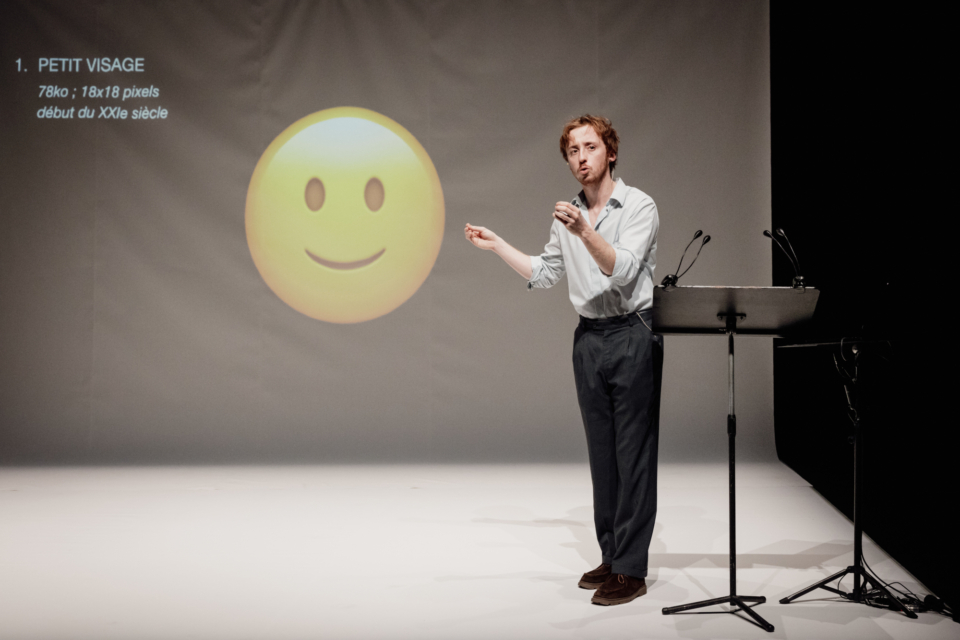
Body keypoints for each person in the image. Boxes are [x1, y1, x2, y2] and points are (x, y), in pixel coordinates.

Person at [464, 115, 663, 606]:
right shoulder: (569, 212)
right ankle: (612, 555)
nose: (581, 157)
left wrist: (585, 231)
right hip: (589, 338)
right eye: (572, 150)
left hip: (632, 333)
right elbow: (545, 272)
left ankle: (633, 570)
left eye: (590, 147)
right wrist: (498, 247)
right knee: (602, 454)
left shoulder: (639, 206)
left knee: (632, 454)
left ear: (610, 152)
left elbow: (622, 270)